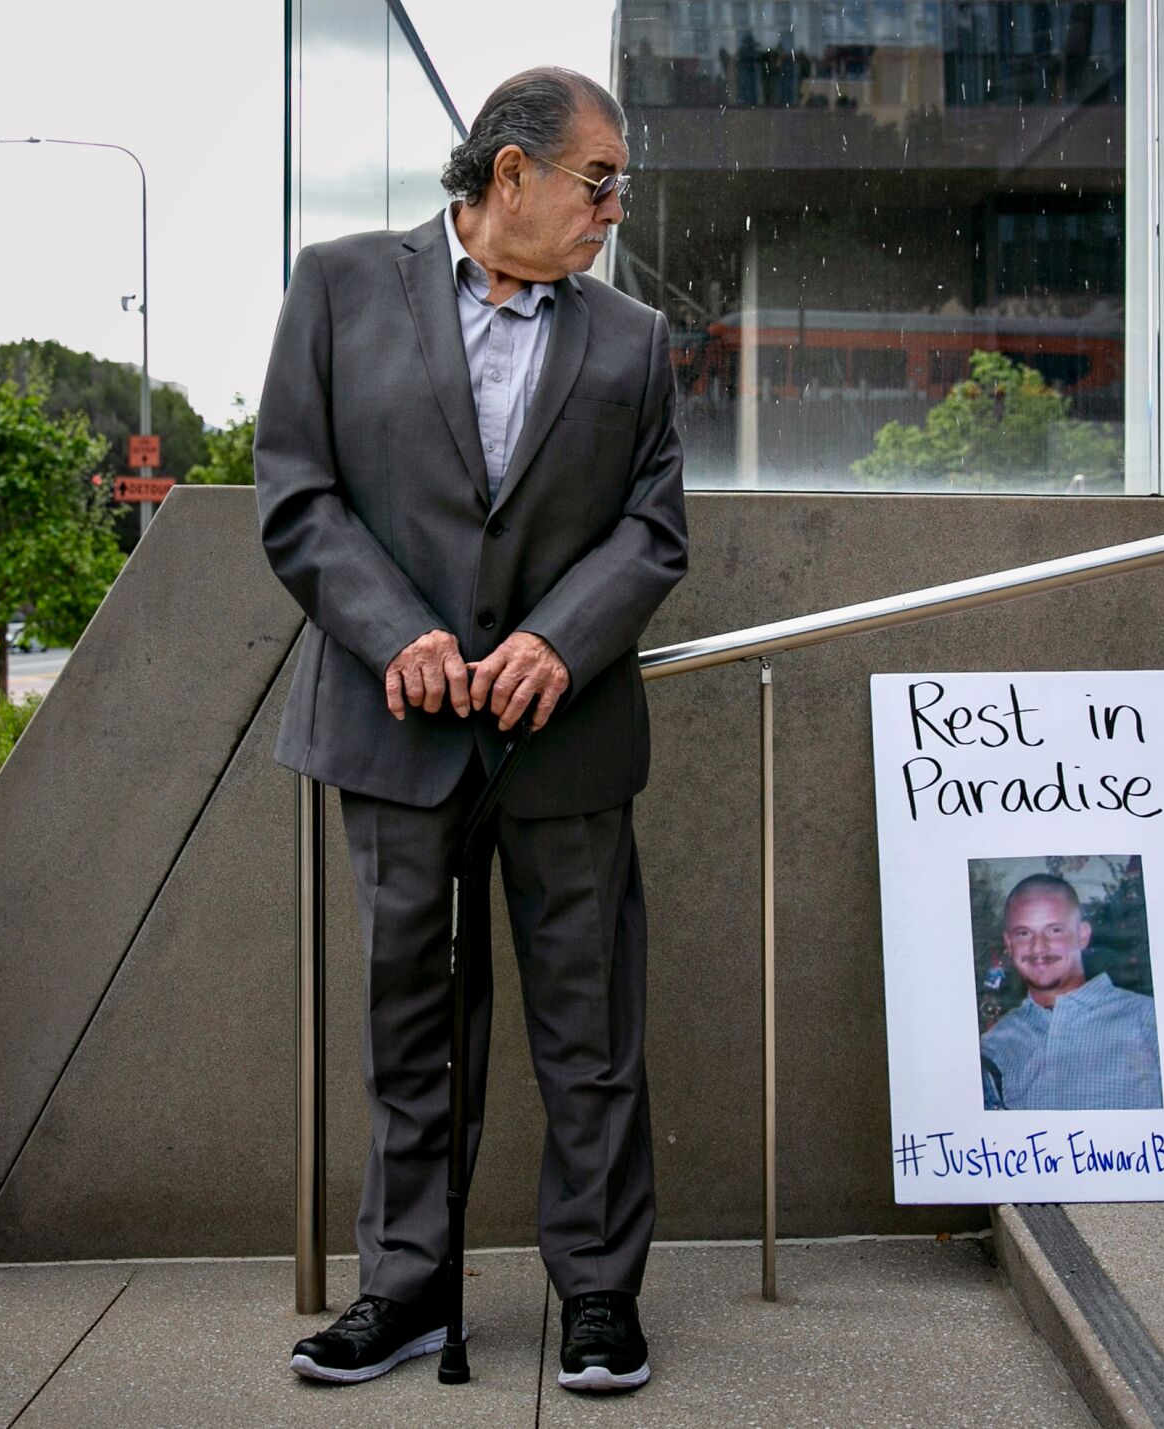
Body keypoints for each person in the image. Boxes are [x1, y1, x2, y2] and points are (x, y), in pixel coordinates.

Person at [254, 67, 687, 1394]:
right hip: (395, 731)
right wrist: (403, 634)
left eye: (620, 186)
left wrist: (560, 635)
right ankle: (405, 1290)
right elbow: (299, 493)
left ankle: (601, 1297)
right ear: (509, 174)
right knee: (408, 1026)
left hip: (567, 741)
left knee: (591, 1029)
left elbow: (655, 527)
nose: (615, 207)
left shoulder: (636, 337)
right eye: (597, 180)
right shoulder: (335, 286)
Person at [978, 873, 1163, 1111]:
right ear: (1009, 943)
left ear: (1083, 935)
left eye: (1054, 930)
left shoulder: (1148, 1020)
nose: (1038, 947)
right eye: (1024, 933)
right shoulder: (995, 1044)